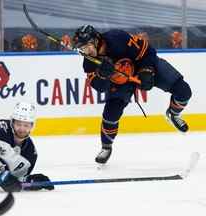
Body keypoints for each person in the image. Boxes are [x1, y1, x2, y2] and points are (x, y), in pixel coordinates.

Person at [72, 25, 192, 164]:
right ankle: (106, 147)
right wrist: (103, 75)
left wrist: (147, 69)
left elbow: (147, 50)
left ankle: (173, 114)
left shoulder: (117, 38)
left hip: (142, 65)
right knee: (110, 115)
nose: (85, 51)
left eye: (86, 46)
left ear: (96, 40)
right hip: (120, 82)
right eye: (82, 49)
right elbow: (99, 87)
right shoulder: (90, 62)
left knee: (183, 91)